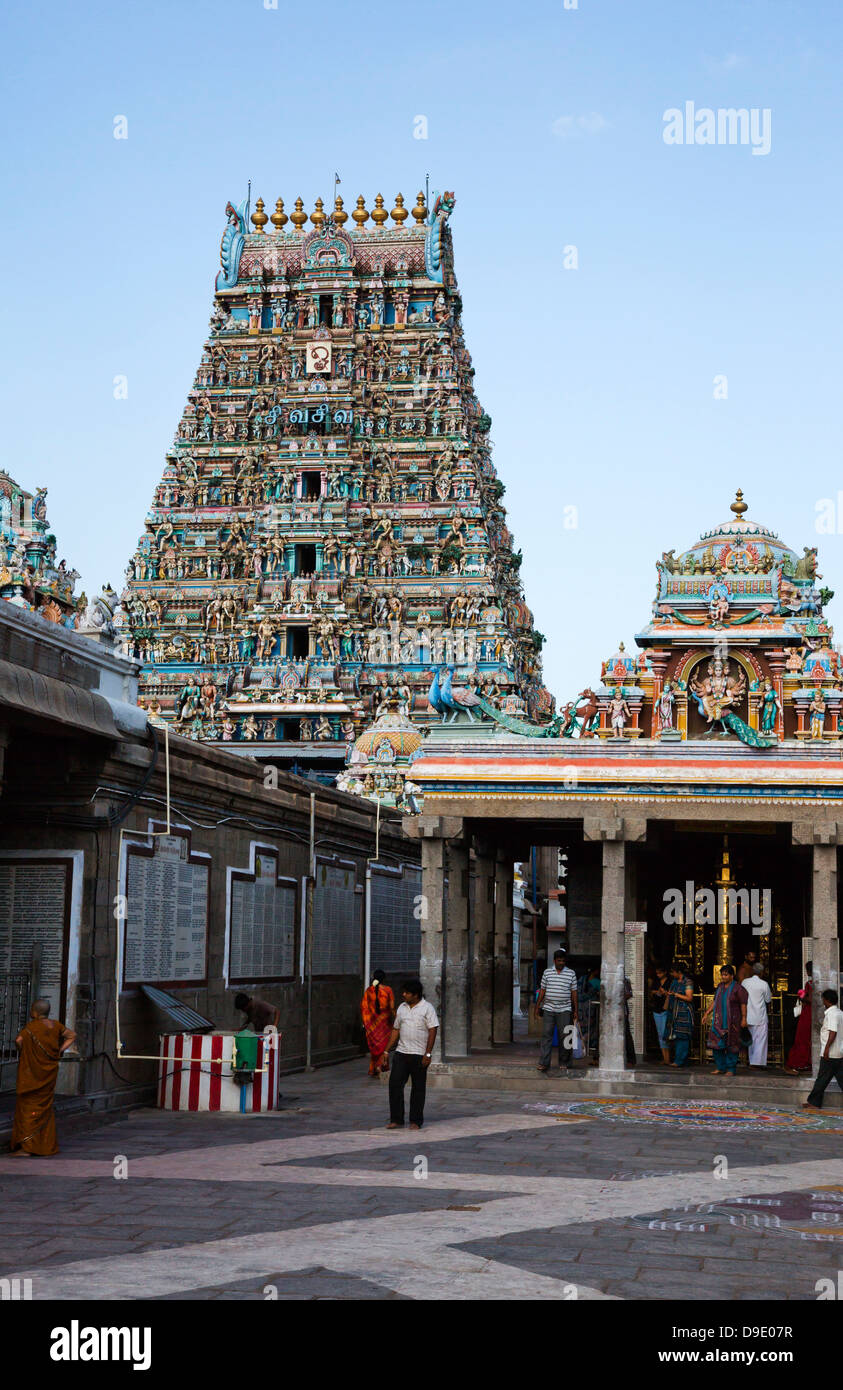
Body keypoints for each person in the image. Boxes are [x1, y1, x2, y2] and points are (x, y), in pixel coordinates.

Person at [10, 999, 77, 1157]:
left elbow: (18, 1041)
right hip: (49, 1072)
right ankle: (45, 1145)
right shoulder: (55, 1025)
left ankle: (28, 1147)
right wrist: (59, 1051)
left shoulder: (31, 1028)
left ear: (34, 1012)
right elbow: (72, 1035)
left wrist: (24, 1050)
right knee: (44, 1108)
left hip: (32, 1075)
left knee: (29, 1109)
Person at [381, 979, 439, 1129]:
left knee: (418, 1088)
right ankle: (396, 1119)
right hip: (401, 1053)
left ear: (416, 994)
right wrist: (387, 1050)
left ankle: (415, 1121)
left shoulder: (427, 1008)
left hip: (419, 1055)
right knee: (395, 1085)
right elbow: (396, 1029)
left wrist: (428, 1054)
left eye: (407, 993)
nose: (403, 995)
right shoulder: (401, 1007)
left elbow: (433, 1030)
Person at [535, 948, 579, 1074]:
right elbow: (542, 990)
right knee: (546, 1035)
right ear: (554, 961)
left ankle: (564, 1062)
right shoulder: (547, 972)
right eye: (559, 961)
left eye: (563, 961)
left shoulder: (571, 973)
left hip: (565, 1009)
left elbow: (574, 992)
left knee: (565, 1036)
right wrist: (538, 1007)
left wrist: (575, 1010)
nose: (561, 963)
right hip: (548, 1008)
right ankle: (544, 1062)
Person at [702, 965, 749, 1076]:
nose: (723, 977)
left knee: (732, 1046)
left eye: (726, 974)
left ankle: (731, 1069)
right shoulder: (720, 987)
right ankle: (720, 1067)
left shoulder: (738, 988)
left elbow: (743, 1004)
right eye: (722, 974)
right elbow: (714, 1001)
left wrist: (744, 1018)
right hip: (718, 1023)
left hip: (732, 1023)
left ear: (732, 975)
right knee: (716, 1046)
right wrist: (707, 1013)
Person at [803, 989, 843, 1110]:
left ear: (827, 1000)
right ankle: (813, 1102)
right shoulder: (840, 1013)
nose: (823, 1002)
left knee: (822, 1079)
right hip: (839, 1052)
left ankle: (813, 1103)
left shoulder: (832, 1014)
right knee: (839, 1079)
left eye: (823, 999)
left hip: (830, 1054)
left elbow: (833, 1032)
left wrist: (826, 1049)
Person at [360, 969, 395, 1077]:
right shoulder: (388, 990)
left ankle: (375, 1068)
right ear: (384, 978)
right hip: (385, 1025)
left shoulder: (368, 990)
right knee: (384, 1047)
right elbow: (392, 1007)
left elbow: (364, 1007)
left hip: (372, 1025)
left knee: (375, 1047)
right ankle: (380, 1066)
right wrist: (396, 1019)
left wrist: (366, 1023)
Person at [664, 961, 694, 1067]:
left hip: (683, 1013)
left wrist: (676, 995)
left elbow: (689, 998)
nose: (672, 974)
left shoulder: (688, 982)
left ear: (679, 972)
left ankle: (679, 1060)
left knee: (683, 1037)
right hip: (674, 1012)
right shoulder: (674, 982)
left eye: (673, 972)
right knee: (675, 1037)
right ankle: (679, 1060)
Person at [785, 963, 813, 1073]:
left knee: (802, 1038)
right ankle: (806, 1062)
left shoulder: (810, 984)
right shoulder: (818, 983)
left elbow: (810, 1000)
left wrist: (801, 996)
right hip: (813, 1012)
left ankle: (799, 1063)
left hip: (808, 1012)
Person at [743, 962, 772, 1068]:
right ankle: (757, 1063)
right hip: (760, 1016)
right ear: (762, 973)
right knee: (760, 1040)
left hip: (747, 1016)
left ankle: (751, 1061)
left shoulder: (745, 982)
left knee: (751, 1040)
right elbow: (768, 999)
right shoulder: (764, 984)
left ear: (752, 971)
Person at [649, 964, 671, 1064]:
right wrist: (657, 991)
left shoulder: (670, 982)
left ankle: (668, 1057)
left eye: (660, 973)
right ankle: (664, 1057)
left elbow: (672, 993)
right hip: (656, 1008)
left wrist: (665, 992)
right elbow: (651, 991)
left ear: (665, 972)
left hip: (666, 1008)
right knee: (660, 1033)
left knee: (665, 1033)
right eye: (657, 973)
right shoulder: (656, 981)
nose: (658, 975)